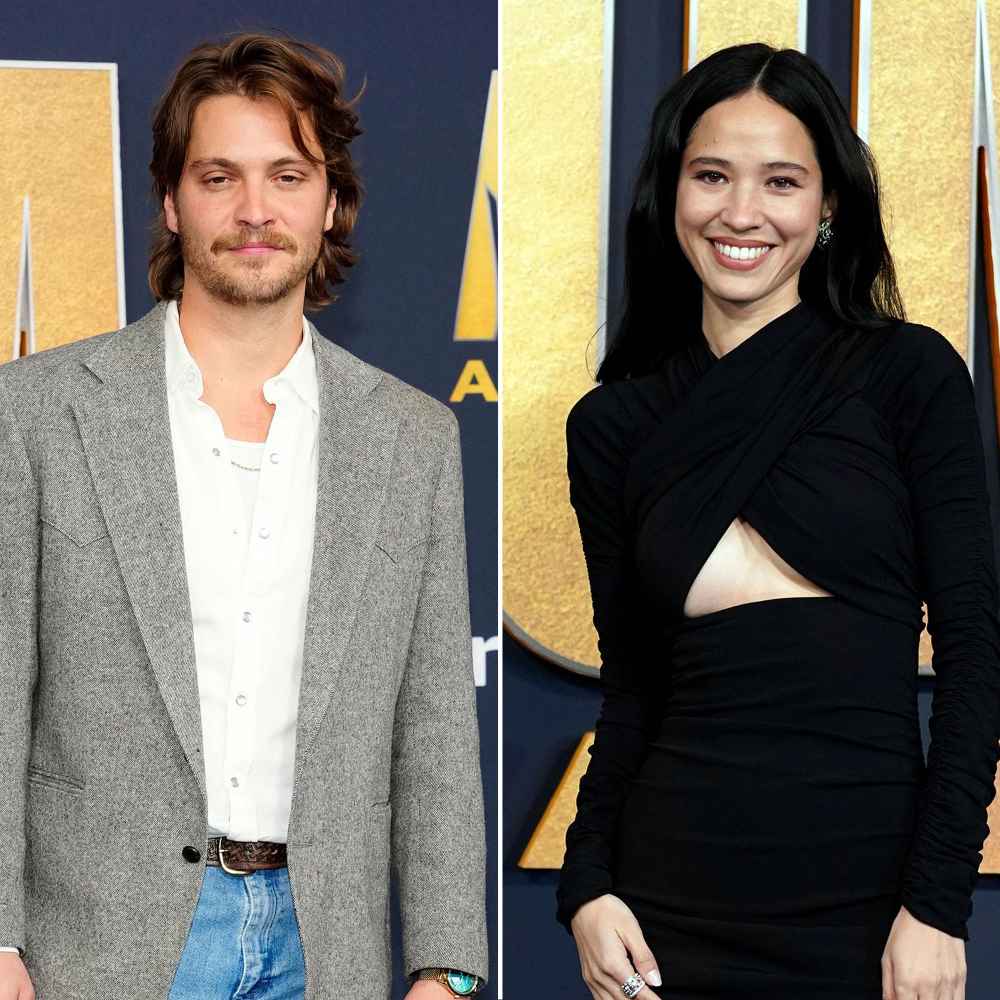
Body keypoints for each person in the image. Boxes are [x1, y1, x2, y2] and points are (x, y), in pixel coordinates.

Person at [0, 32, 487, 1000]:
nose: (255, 210)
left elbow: (432, 720)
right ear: (172, 203)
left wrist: (450, 965)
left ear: (332, 202)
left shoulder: (411, 437)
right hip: (93, 946)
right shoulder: (37, 413)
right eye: (219, 176)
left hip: (328, 947)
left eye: (288, 175)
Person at [556, 42, 1000, 1000]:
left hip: (872, 911)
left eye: (782, 181)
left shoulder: (908, 376)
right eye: (712, 175)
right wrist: (587, 889)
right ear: (671, 193)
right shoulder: (615, 426)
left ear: (829, 203)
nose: (742, 213)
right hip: (667, 911)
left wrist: (935, 905)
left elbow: (976, 658)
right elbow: (632, 691)